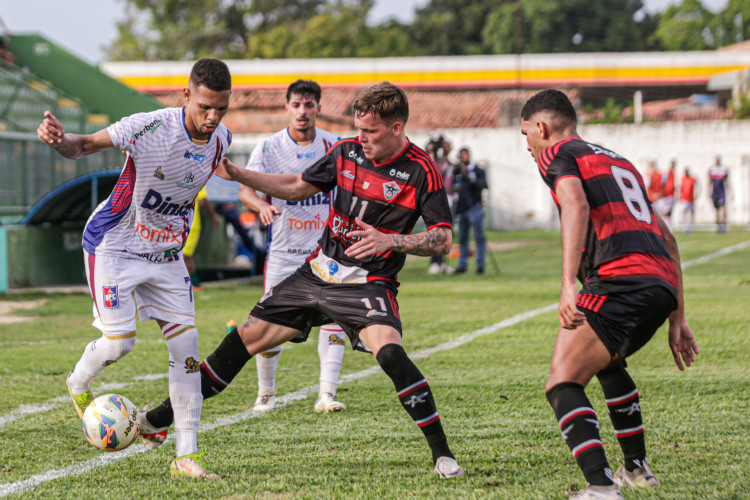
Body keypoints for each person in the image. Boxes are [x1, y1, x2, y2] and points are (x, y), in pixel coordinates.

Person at [139, 81, 465, 479]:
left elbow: (443, 238)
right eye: (358, 129)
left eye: (370, 132)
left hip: (368, 284)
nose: (360, 139)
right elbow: (296, 187)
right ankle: (157, 419)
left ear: (397, 128)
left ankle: (443, 455)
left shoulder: (421, 170)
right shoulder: (344, 153)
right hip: (316, 273)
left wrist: (391, 240)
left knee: (392, 356)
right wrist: (237, 173)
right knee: (240, 342)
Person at [37, 58, 233, 479]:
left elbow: (210, 172)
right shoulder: (150, 126)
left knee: (187, 351)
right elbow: (81, 145)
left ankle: (187, 456)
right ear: (187, 96)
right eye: (204, 107)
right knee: (120, 343)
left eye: (221, 108)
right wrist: (59, 140)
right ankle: (78, 382)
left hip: (165, 257)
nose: (213, 117)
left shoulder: (222, 139)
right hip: (115, 247)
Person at [520, 89, 698, 499]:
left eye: (526, 133)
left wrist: (567, 284)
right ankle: (636, 470)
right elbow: (668, 238)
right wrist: (678, 317)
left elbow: (575, 206)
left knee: (562, 382)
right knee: (608, 362)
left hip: (619, 281)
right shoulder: (618, 159)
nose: (527, 144)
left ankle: (600, 488)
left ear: (541, 128)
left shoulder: (556, 153)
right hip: (660, 286)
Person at [238, 79, 347, 414]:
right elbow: (244, 189)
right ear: (287, 108)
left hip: (326, 250)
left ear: (318, 108)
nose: (303, 111)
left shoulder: (334, 145)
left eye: (309, 105)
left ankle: (327, 394)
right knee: (269, 323)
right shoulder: (270, 148)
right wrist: (261, 206)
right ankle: (266, 394)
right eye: (297, 105)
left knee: (333, 319)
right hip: (284, 253)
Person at [452, 147, 487, 274]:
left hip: (475, 206)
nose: (463, 158)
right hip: (462, 208)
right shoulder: (457, 172)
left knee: (478, 236)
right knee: (462, 238)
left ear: (469, 156)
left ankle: (481, 264)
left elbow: (483, 185)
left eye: (465, 155)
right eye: (461, 156)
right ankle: (462, 265)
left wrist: (471, 178)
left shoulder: (477, 170)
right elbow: (452, 187)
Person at [426, 138, 454, 274]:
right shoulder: (435, 162)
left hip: (449, 200)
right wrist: (431, 149)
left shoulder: (451, 164)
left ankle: (441, 262)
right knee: (437, 231)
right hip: (438, 200)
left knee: (446, 233)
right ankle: (435, 262)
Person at [183, 186, 219, 291]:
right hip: (181, 224)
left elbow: (203, 201)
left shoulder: (196, 179)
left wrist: (213, 216)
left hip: (190, 224)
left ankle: (195, 284)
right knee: (180, 255)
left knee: (185, 255)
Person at [708, 155, 729, 232]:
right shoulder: (712, 169)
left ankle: (722, 225)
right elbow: (709, 181)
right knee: (717, 209)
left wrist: (729, 190)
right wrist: (709, 191)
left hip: (721, 192)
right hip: (715, 192)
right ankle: (718, 225)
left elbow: (727, 181)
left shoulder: (723, 169)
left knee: (722, 208)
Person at [679, 168, 698, 234]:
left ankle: (691, 227)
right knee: (684, 213)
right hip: (684, 198)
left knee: (691, 214)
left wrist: (696, 194)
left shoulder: (692, 179)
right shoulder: (683, 179)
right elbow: (680, 188)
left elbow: (696, 186)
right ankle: (685, 227)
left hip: (691, 199)